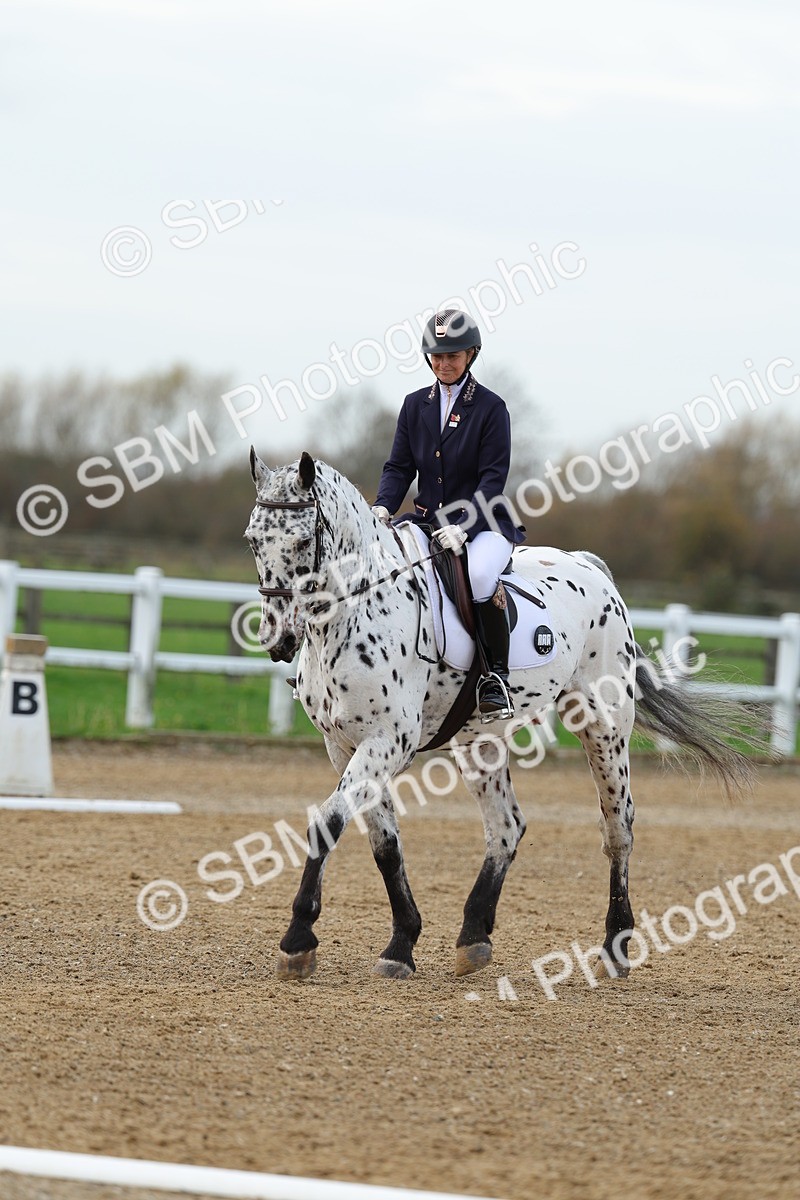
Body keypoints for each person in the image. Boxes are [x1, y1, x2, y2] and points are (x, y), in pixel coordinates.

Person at [372, 309, 525, 721]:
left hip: (483, 524)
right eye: (436, 357)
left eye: (452, 356)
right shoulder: (413, 405)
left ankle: (496, 678)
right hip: (427, 520)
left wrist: (464, 525)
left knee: (477, 577)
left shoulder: (491, 408)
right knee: (385, 565)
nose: (443, 364)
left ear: (471, 353)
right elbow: (399, 467)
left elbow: (493, 479)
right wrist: (383, 506)